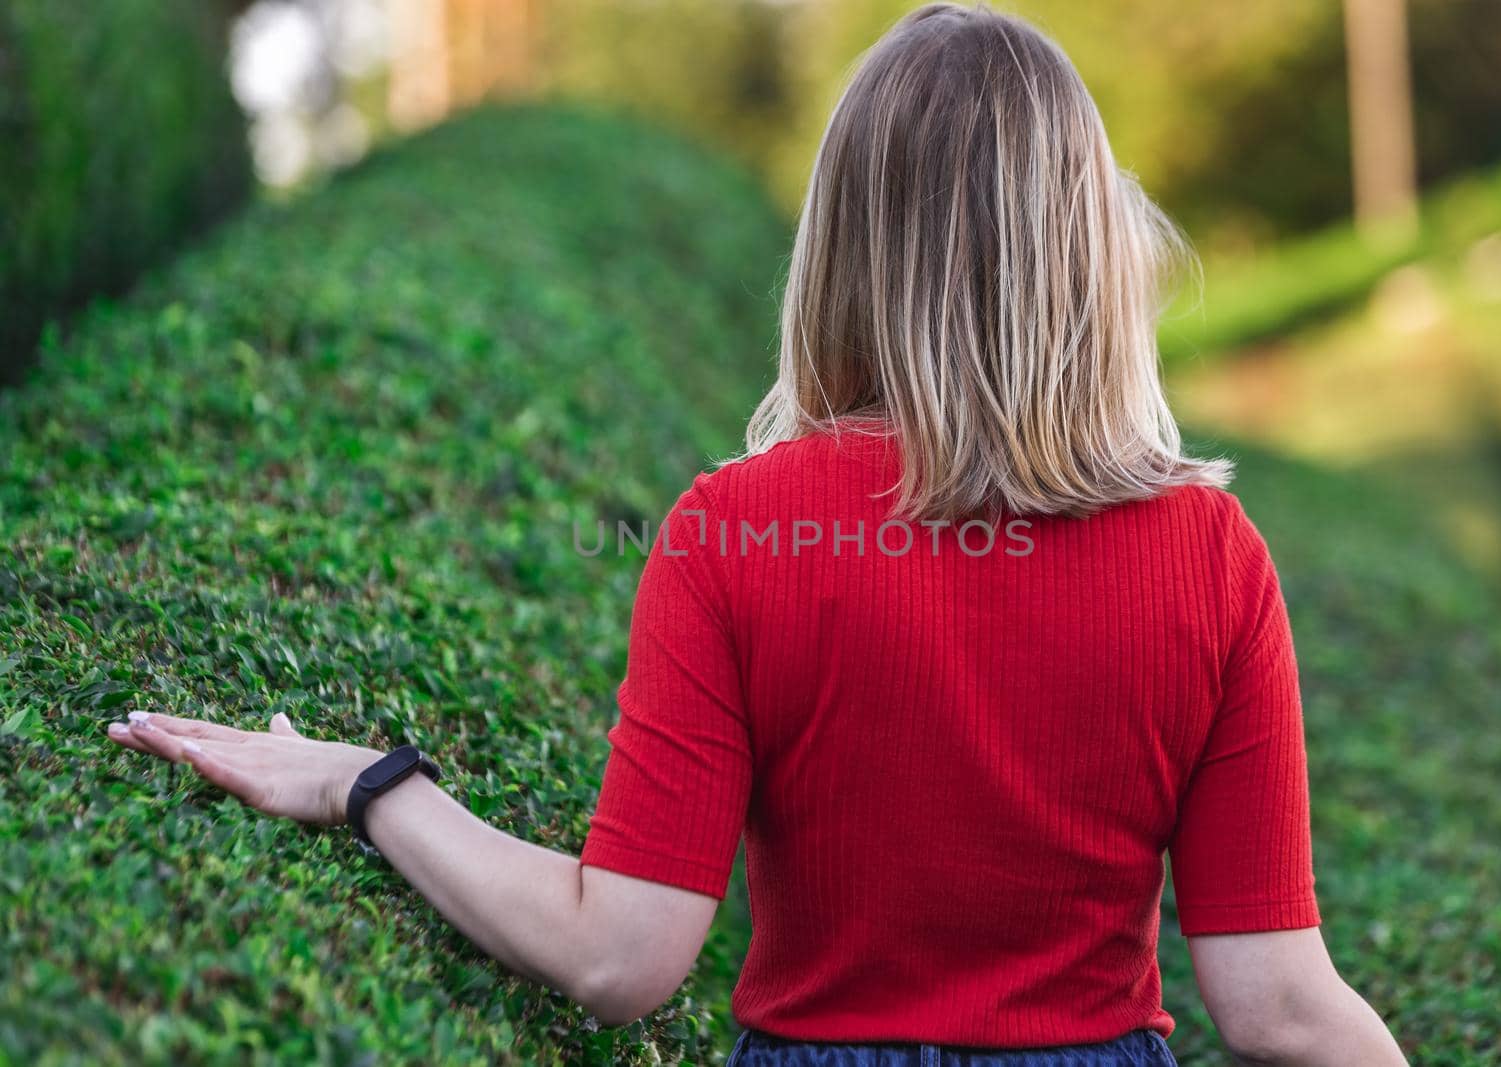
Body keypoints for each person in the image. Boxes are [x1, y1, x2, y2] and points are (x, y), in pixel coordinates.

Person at [108, 4, 1408, 1064]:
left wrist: (364, 785)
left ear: (840, 240)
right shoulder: (1208, 554)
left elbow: (620, 957)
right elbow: (1281, 1007)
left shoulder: (735, 534)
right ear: (1083, 240)